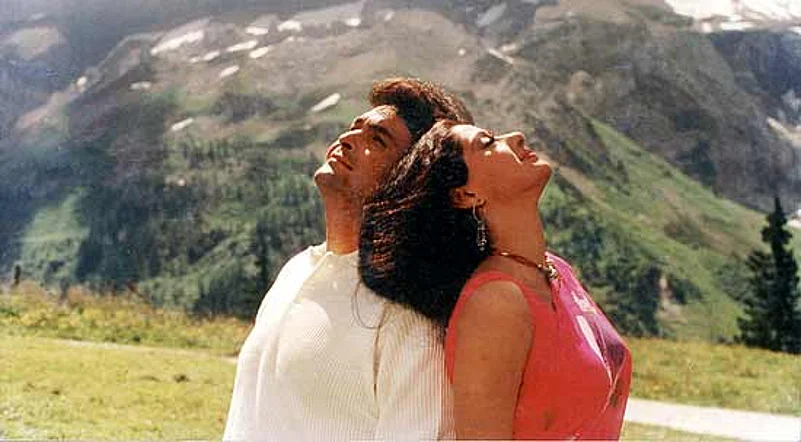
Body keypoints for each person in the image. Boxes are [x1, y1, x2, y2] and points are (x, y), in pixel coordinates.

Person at [222, 79, 473, 441]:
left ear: (413, 178)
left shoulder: (408, 313)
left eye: (377, 140)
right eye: (355, 126)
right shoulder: (297, 269)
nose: (348, 138)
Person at [360, 120, 632, 440]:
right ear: (466, 194)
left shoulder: (557, 271)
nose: (516, 137)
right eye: (487, 143)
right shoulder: (495, 302)